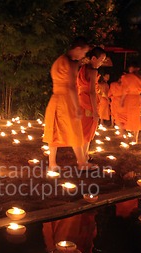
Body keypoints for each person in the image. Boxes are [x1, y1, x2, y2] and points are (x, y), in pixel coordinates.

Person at [43, 37, 90, 171]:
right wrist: (77, 107)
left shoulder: (62, 60)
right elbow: (70, 86)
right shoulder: (66, 63)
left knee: (55, 130)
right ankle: (81, 163)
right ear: (77, 49)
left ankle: (53, 163)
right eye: (84, 52)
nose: (83, 56)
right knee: (74, 129)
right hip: (65, 100)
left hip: (56, 99)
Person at [78, 47, 106, 165]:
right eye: (101, 60)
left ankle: (84, 156)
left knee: (84, 131)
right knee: (87, 132)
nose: (102, 62)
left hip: (81, 101)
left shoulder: (83, 68)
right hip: (89, 103)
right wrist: (95, 111)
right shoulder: (93, 71)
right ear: (93, 58)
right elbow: (92, 92)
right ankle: (82, 162)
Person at [120, 62, 141, 143]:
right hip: (135, 98)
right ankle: (133, 136)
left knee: (135, 117)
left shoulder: (127, 77)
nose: (130, 70)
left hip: (131, 98)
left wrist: (122, 100)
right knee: (133, 117)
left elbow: (124, 90)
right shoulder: (140, 77)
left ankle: (135, 137)